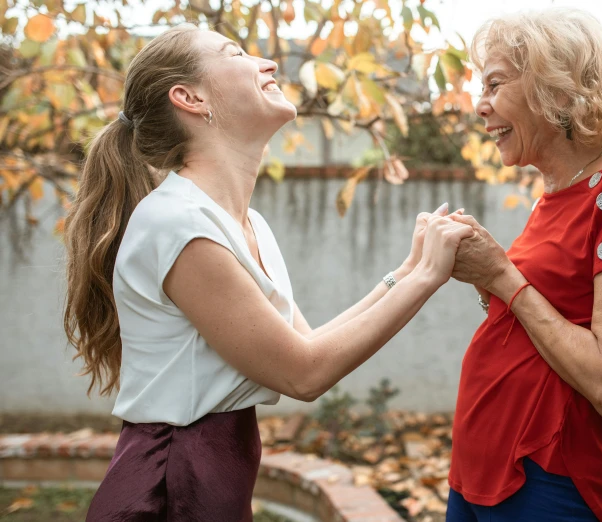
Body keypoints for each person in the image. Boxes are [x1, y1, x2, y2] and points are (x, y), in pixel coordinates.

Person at [62, 24, 472, 521]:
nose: (268, 63)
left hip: (215, 469)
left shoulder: (243, 222)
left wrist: (405, 272)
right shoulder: (178, 224)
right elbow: (303, 374)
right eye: (235, 53)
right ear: (189, 98)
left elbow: (307, 344)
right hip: (172, 482)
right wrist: (427, 278)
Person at [444, 8, 602, 522]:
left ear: (556, 87)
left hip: (546, 479)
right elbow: (533, 316)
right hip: (478, 464)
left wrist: (500, 275)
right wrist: (485, 274)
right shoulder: (552, 193)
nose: (479, 107)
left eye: (494, 83)